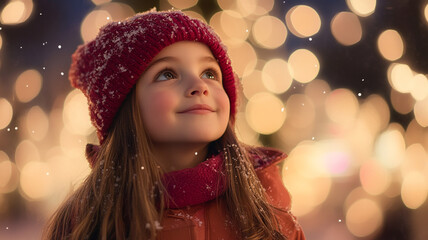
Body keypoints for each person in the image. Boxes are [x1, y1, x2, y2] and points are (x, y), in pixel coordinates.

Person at [43, 9, 306, 240]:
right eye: (167, 74)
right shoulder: (87, 220)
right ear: (124, 108)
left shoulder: (265, 208)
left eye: (209, 73)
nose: (199, 86)